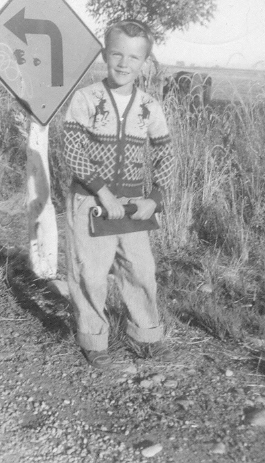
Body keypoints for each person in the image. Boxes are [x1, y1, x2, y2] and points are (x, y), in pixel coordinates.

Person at [63, 20, 175, 369]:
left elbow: (165, 153)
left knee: (140, 270)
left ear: (145, 62)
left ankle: (146, 334)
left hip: (133, 205)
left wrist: (154, 198)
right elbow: (72, 150)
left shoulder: (149, 105)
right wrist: (102, 193)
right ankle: (93, 338)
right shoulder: (86, 98)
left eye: (134, 57)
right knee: (90, 273)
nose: (124, 64)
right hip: (91, 202)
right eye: (117, 55)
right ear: (104, 55)